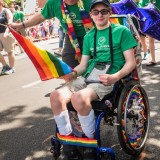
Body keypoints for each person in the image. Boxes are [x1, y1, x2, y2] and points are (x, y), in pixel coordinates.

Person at [50, 0, 137, 159]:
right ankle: (68, 143)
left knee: (79, 98)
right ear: (91, 15)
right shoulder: (89, 35)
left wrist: (115, 77)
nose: (100, 14)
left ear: (109, 12)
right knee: (55, 96)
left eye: (104, 11)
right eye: (96, 12)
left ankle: (89, 143)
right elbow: (83, 65)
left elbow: (131, 62)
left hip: (110, 78)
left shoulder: (122, 31)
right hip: (89, 76)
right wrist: (71, 73)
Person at [10, 0, 94, 69]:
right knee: (68, 68)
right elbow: (40, 17)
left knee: (97, 64)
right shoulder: (54, 3)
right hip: (72, 39)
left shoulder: (91, 2)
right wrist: (21, 25)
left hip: (94, 36)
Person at [0, 0, 15, 75]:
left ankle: (12, 68)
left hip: (6, 33)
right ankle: (5, 66)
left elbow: (10, 22)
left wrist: (6, 32)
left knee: (10, 51)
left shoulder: (6, 11)